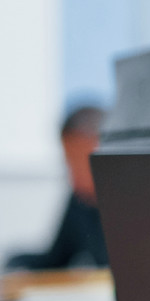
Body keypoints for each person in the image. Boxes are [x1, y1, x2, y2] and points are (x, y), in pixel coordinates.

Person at [7, 104, 108, 270]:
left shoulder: (125, 202)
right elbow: (56, 259)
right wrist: (16, 263)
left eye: (79, 160)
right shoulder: (79, 202)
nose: (73, 170)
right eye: (69, 161)